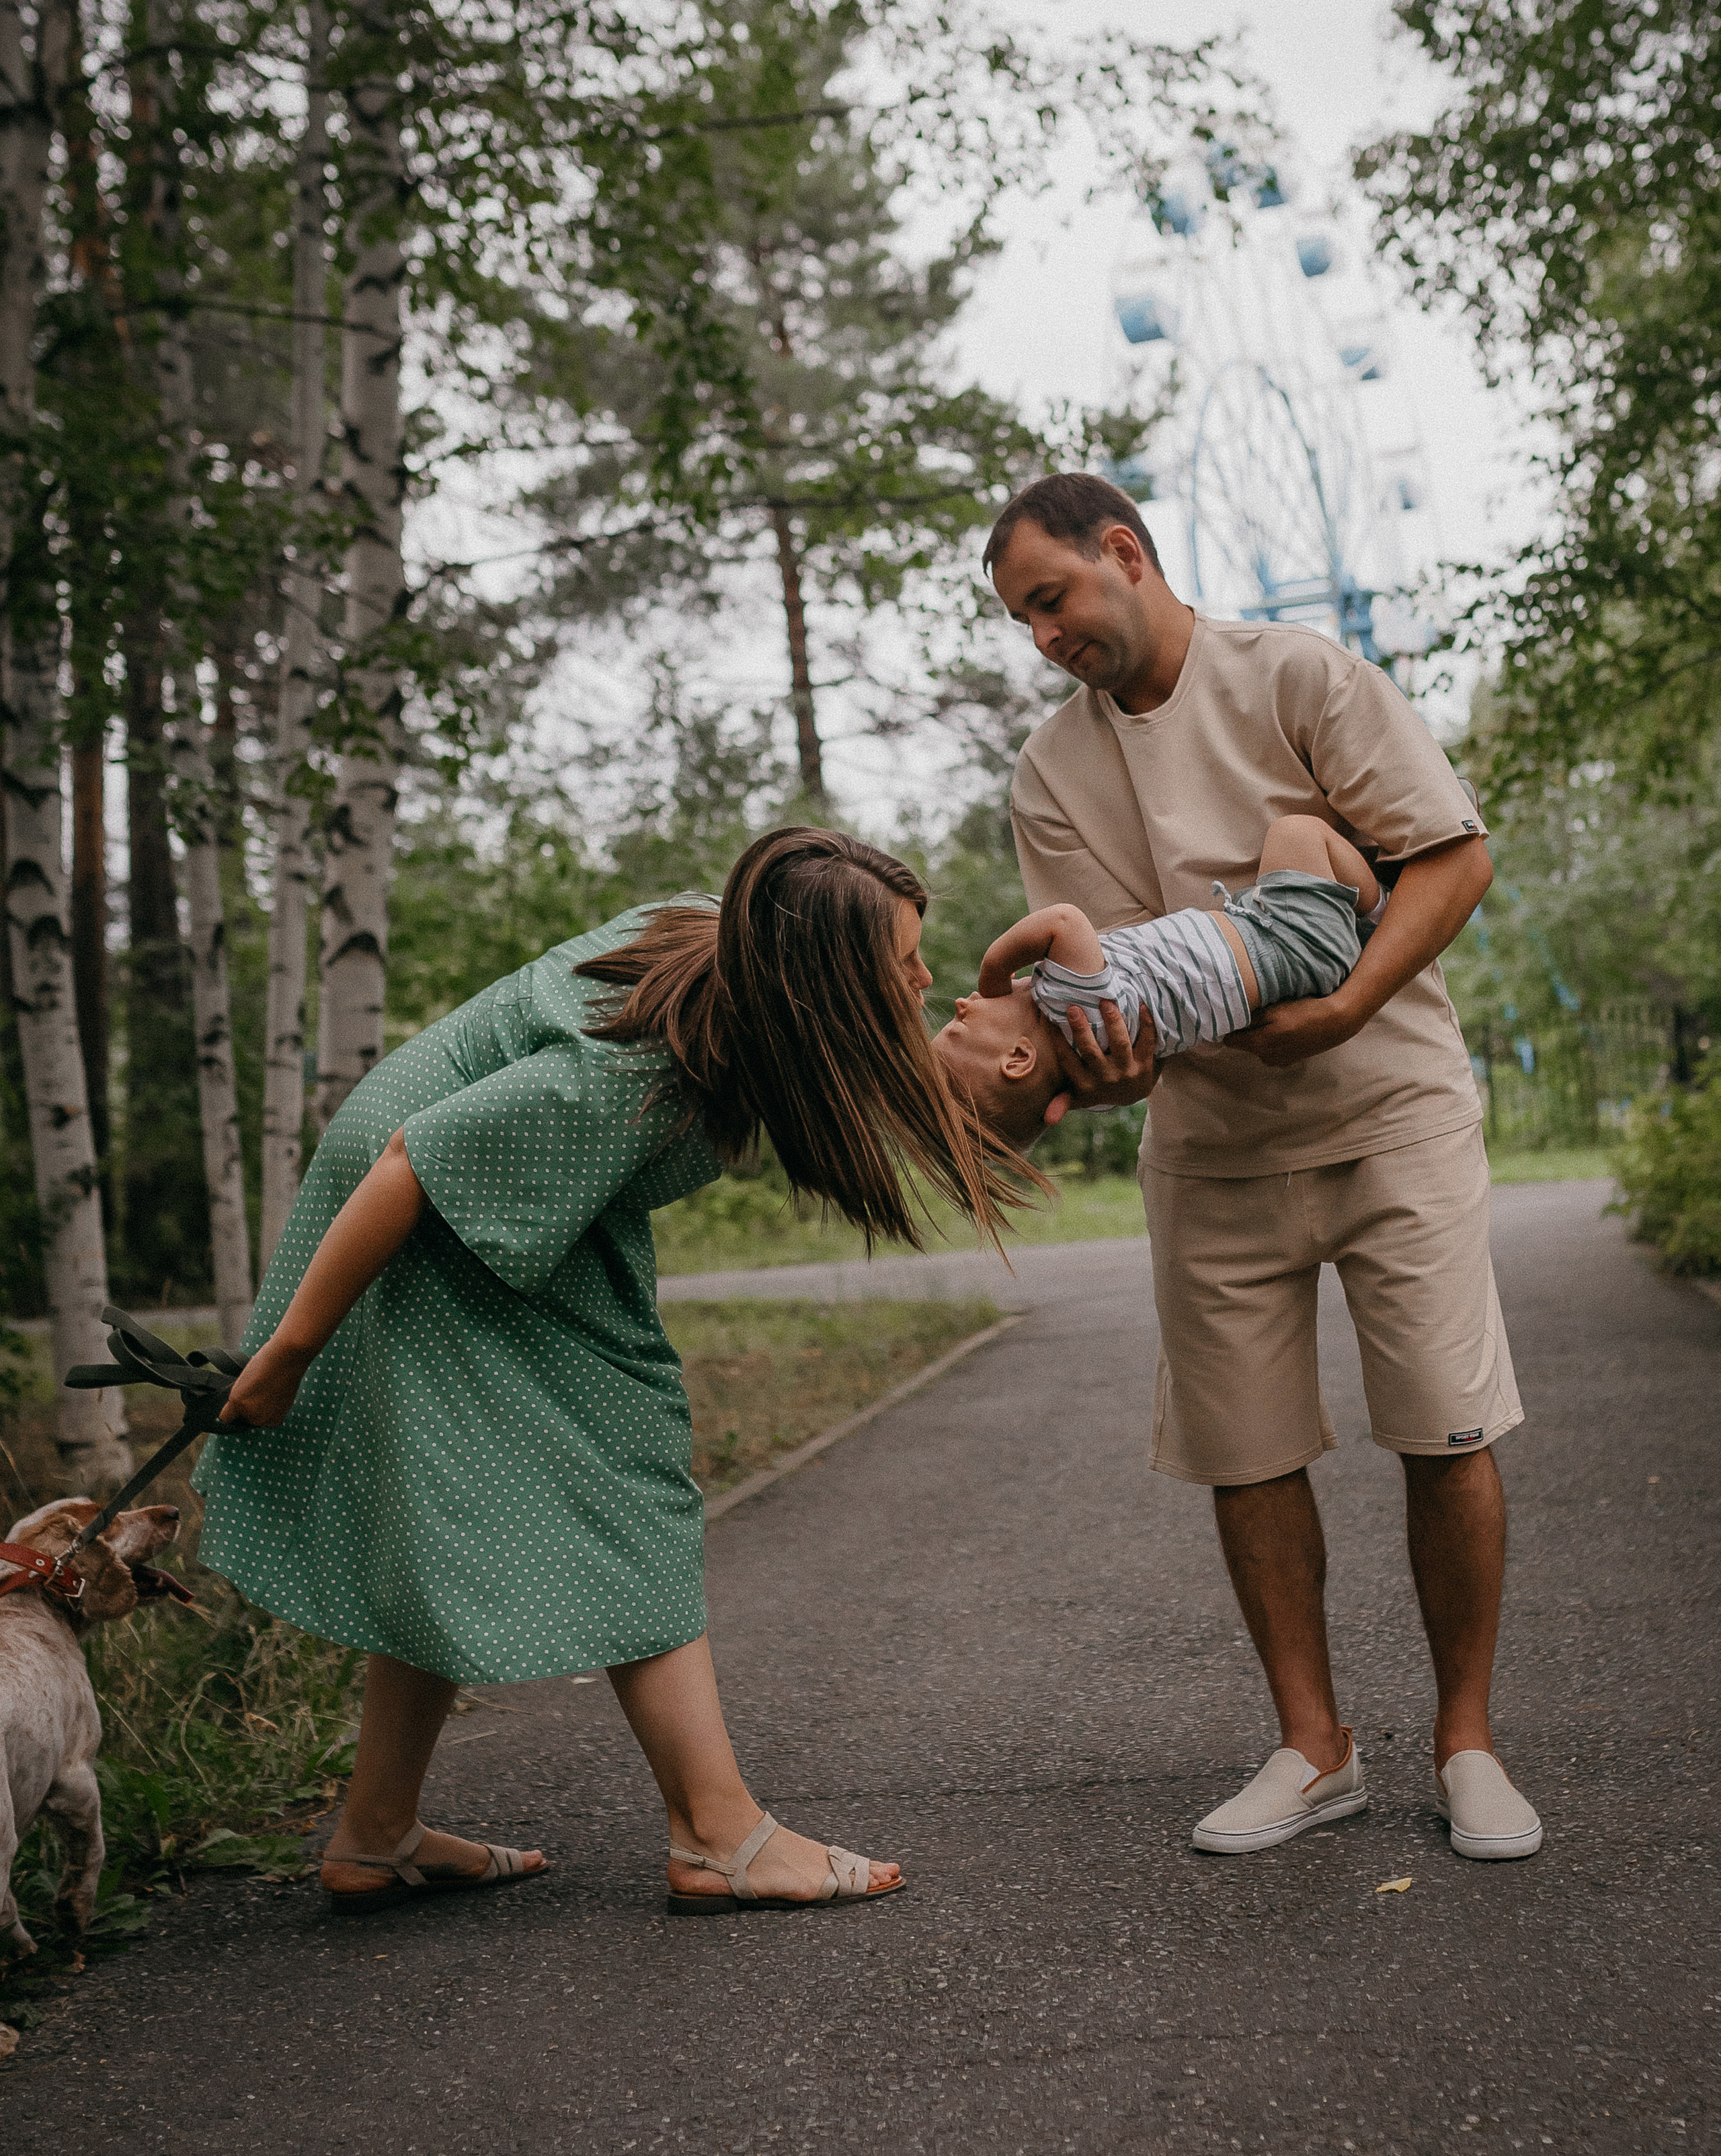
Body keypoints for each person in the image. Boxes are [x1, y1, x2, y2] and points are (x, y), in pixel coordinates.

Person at [200, 826, 1031, 1916]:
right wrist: (285, 1359)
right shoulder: (649, 1066)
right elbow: (418, 1160)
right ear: (819, 981)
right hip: (422, 1207)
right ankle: (718, 1832)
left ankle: (376, 1829)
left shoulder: (726, 959)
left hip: (517, 1207)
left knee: (499, 1494)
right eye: (901, 967)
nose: (925, 982)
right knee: (627, 1477)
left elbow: (864, 1075)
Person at [975, 471, 1542, 1864]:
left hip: (1388, 1104)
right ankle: (1313, 1749)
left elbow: (1451, 859)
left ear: (1124, 552)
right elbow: (1125, 987)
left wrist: (1345, 1008)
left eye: (1050, 599)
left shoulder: (1295, 673)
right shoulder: (1049, 773)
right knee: (1245, 1447)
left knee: (1443, 1421)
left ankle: (1465, 1745)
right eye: (1020, 620)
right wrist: (1095, 1067)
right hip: (1213, 1148)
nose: (1042, 635)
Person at [939, 813, 1384, 1138]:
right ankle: (1379, 908)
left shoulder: (1089, 1064)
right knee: (1295, 832)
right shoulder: (1069, 1006)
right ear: (1018, 1058)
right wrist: (995, 971)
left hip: (1289, 971)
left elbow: (1059, 1106)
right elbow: (1064, 922)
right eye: (959, 1028)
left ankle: (1356, 920)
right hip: (1287, 940)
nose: (962, 1005)